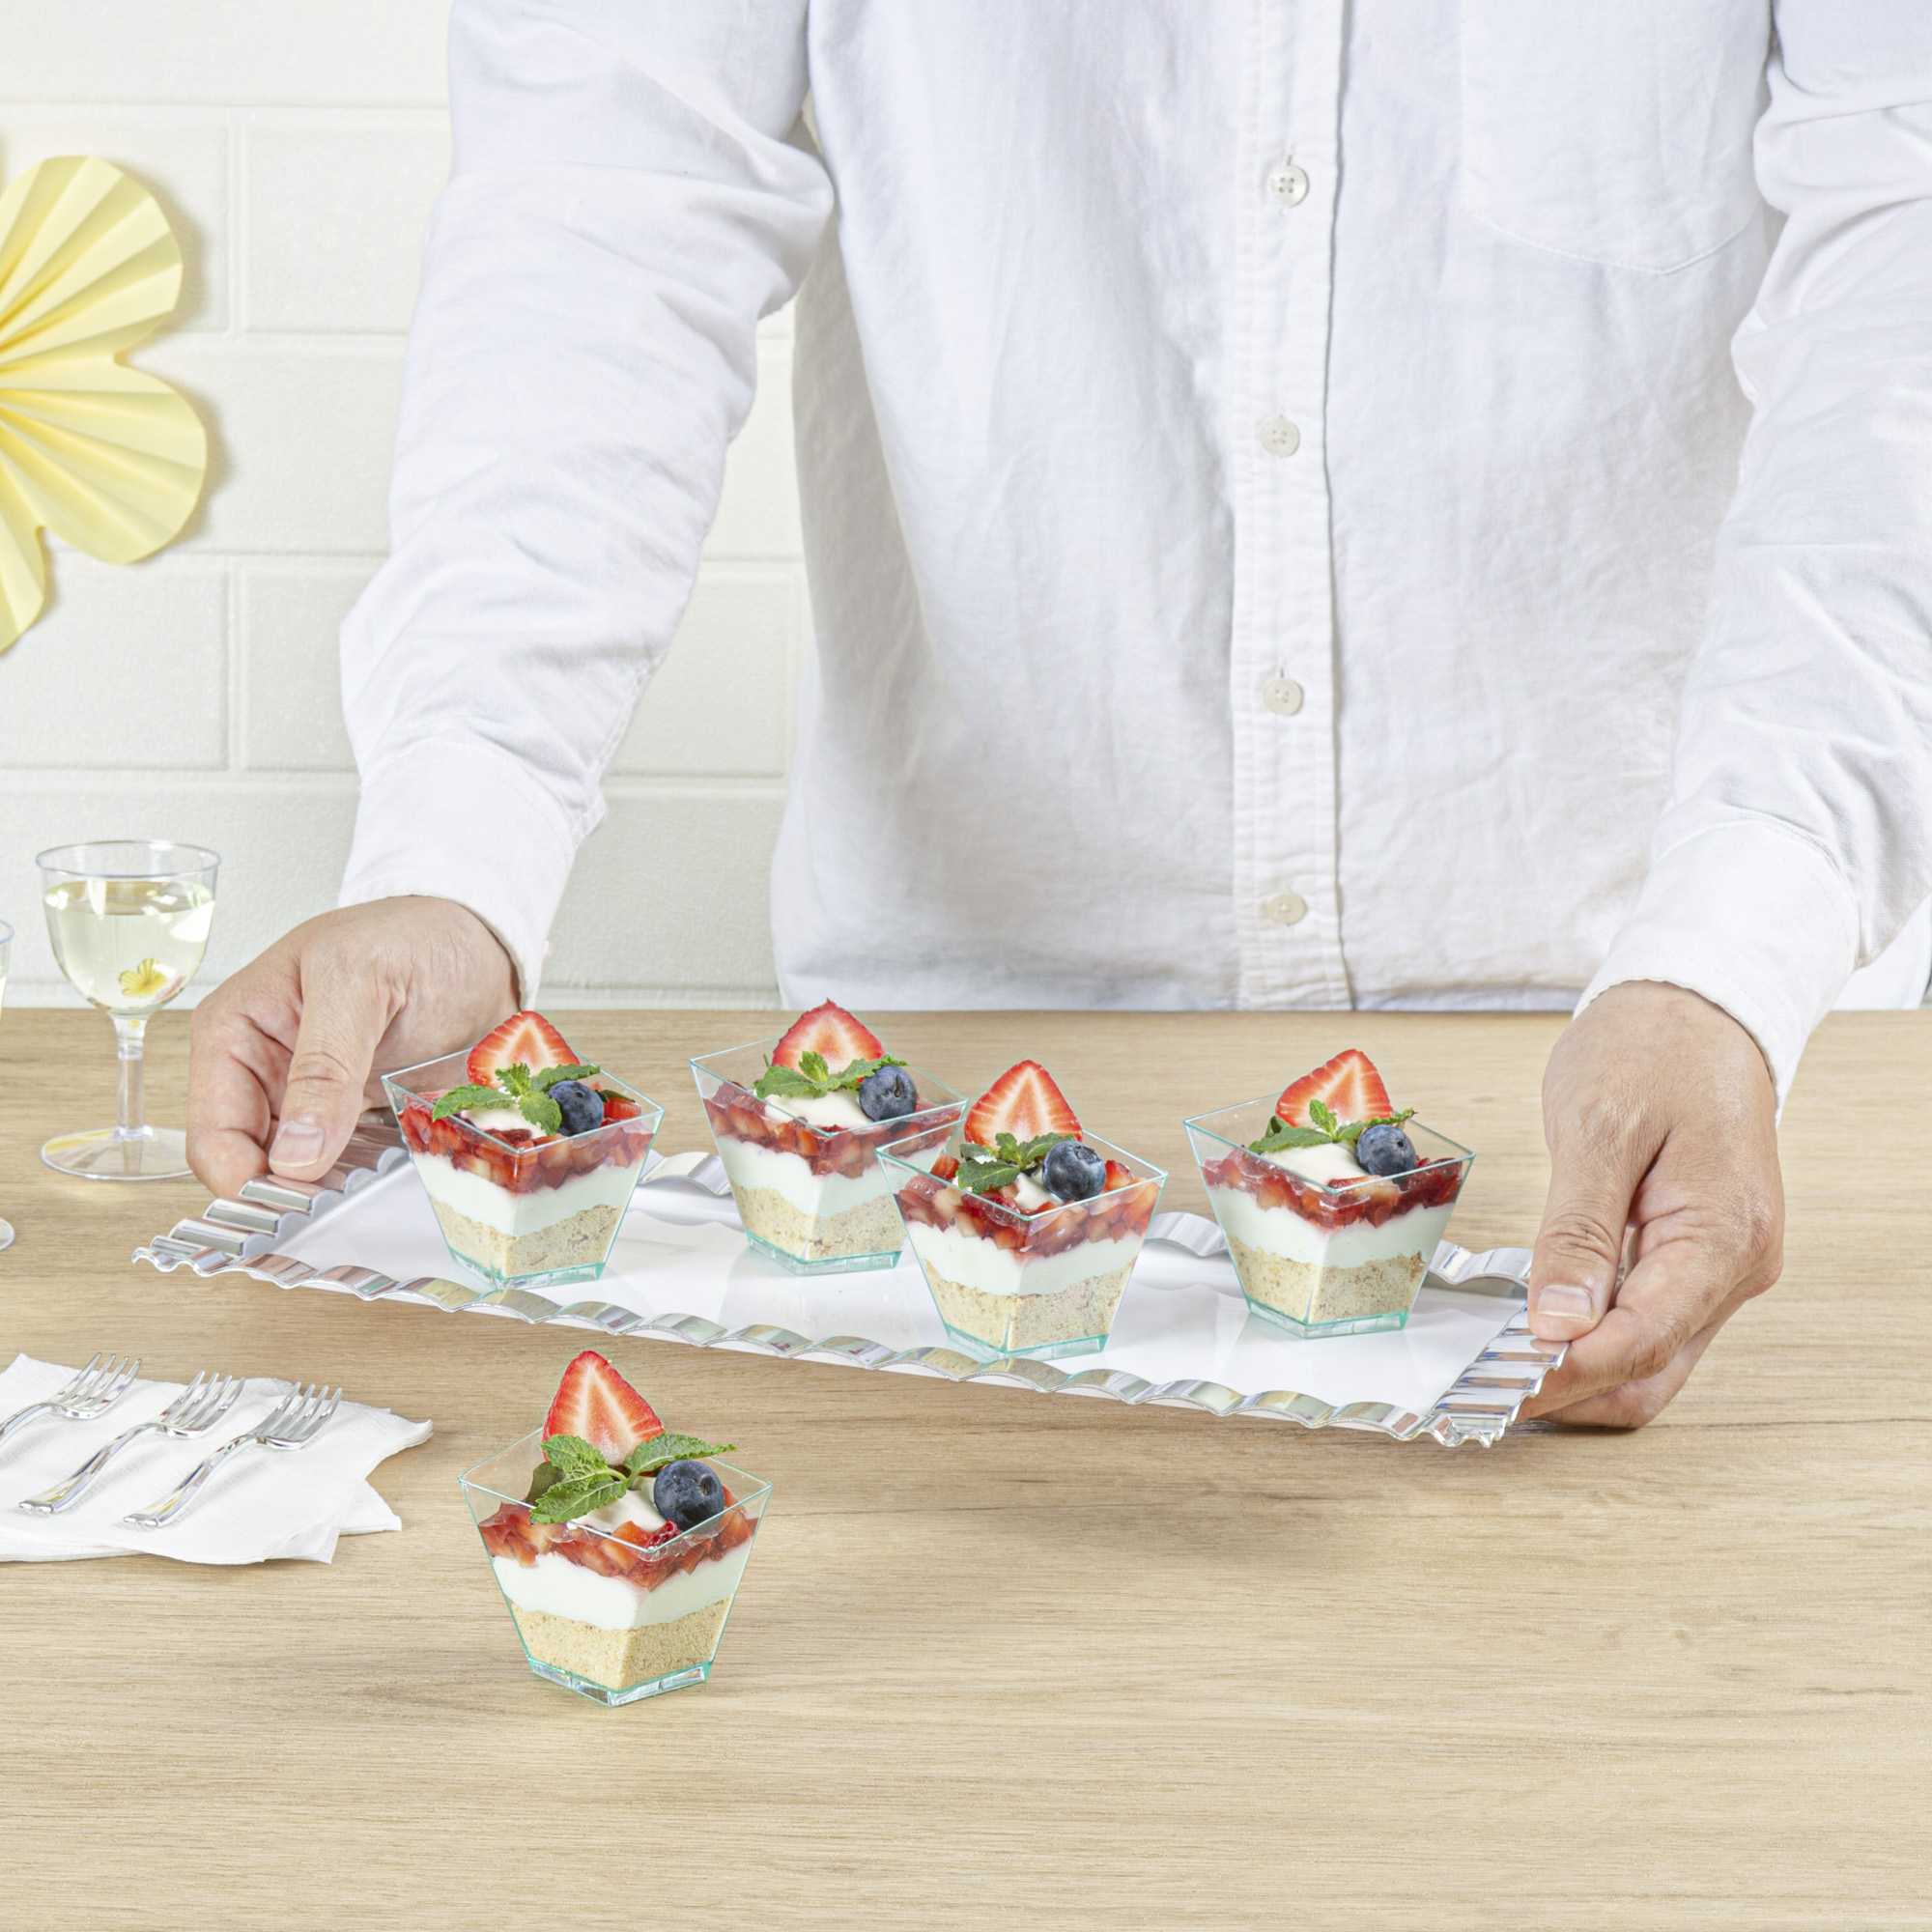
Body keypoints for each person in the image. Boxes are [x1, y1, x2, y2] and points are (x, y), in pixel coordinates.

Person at [187, 4, 1932, 1427]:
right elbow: (604, 212)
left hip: (1684, 1059)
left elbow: (1900, 284)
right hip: (944, 1087)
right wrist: (456, 849)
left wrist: (1729, 950)